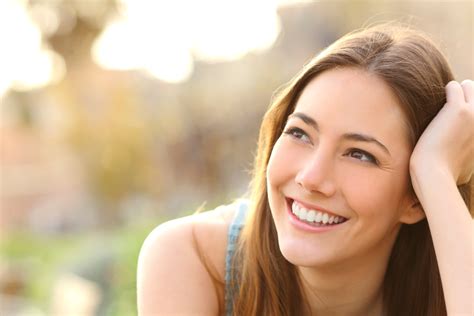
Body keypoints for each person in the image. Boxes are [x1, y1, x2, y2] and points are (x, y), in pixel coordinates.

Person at [136, 22, 473, 316]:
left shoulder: (451, 283)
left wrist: (436, 176)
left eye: (359, 154)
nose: (311, 178)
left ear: (415, 200)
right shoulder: (192, 260)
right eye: (299, 133)